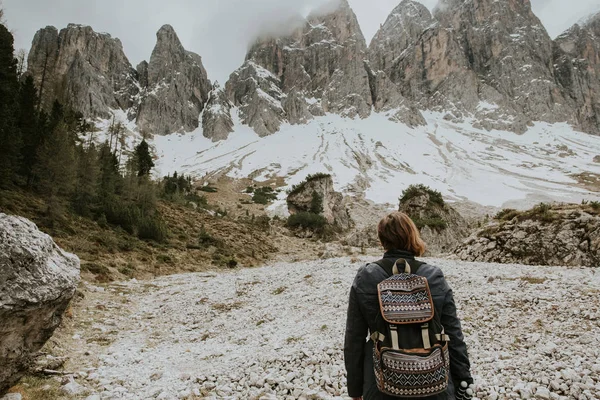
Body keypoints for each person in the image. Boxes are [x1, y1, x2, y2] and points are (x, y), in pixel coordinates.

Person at [344, 211, 473, 400]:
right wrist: (464, 380)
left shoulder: (366, 276)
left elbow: (354, 338)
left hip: (380, 385)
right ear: (413, 235)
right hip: (435, 384)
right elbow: (454, 334)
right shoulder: (434, 276)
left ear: (382, 240)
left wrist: (355, 390)